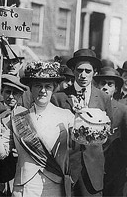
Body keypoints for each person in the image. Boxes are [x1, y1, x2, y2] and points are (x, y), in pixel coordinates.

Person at [7, 60, 74, 197]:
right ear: (30, 88)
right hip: (24, 187)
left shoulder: (66, 116)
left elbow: (79, 144)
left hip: (54, 185)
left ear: (54, 89)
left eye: (48, 86)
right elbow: (2, 153)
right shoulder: (17, 118)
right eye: (38, 85)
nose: (43, 91)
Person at [51, 49, 112, 196]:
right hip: (66, 170)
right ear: (73, 70)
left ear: (94, 72)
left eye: (87, 71)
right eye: (79, 70)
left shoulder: (103, 98)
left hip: (93, 171)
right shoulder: (59, 98)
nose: (83, 75)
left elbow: (108, 134)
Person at [93, 67, 127, 196]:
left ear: (116, 89)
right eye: (102, 84)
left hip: (114, 172)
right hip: (92, 170)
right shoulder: (90, 108)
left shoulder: (123, 111)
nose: (105, 87)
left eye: (110, 84)